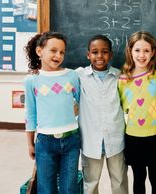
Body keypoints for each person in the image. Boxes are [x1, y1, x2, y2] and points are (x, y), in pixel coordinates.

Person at [24, 31, 81, 194]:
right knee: (46, 188)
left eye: (62, 52)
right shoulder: (32, 80)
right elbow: (30, 113)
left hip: (71, 139)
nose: (58, 55)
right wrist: (29, 143)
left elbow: (81, 103)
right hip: (45, 142)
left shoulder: (72, 76)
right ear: (39, 51)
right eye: (53, 50)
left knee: (69, 188)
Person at [76, 34, 128, 194]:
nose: (99, 56)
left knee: (119, 182)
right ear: (88, 54)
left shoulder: (120, 76)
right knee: (90, 184)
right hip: (90, 141)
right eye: (95, 52)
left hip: (116, 139)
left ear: (111, 55)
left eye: (104, 52)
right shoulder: (79, 76)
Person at [118, 31, 156, 194]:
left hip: (155, 135)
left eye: (146, 50)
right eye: (137, 50)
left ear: (153, 52)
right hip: (133, 135)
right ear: (130, 51)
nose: (141, 55)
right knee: (138, 177)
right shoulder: (123, 78)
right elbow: (123, 105)